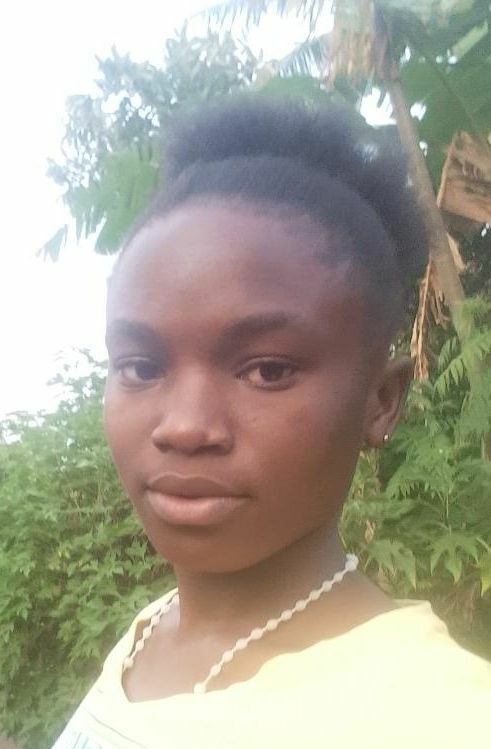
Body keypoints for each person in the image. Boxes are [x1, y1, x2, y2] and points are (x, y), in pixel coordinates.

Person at [52, 97, 491, 749]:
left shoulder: (437, 715)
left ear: (380, 401)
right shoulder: (152, 631)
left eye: (267, 370)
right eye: (141, 366)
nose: (184, 427)